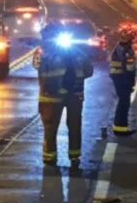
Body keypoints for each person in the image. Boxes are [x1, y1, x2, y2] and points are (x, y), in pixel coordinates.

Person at [34, 25, 94, 166]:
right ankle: (57, 156)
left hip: (54, 96)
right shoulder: (45, 53)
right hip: (62, 95)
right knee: (63, 126)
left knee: (57, 126)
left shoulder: (73, 53)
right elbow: (88, 71)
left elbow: (89, 70)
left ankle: (63, 155)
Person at [109, 26, 137, 135]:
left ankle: (120, 127)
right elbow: (129, 67)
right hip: (122, 78)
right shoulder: (126, 50)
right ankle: (121, 128)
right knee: (124, 102)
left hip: (118, 77)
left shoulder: (120, 47)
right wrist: (130, 80)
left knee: (123, 101)